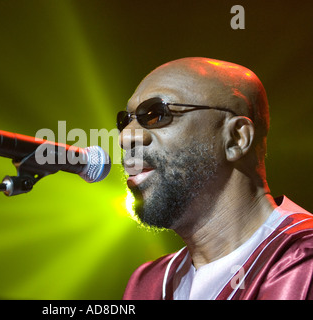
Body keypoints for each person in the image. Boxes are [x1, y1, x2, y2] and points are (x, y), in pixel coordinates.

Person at [119, 57, 313, 300]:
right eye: (125, 120)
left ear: (236, 138)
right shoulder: (148, 283)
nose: (125, 137)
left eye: (157, 113)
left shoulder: (303, 263)